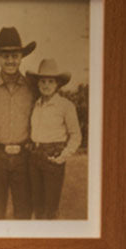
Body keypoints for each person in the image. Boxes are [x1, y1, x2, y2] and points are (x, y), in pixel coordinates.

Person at [0, 26, 37, 219]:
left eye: (15, 55)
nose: (10, 60)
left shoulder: (33, 87)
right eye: (5, 56)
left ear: (21, 57)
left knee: (24, 210)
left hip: (24, 156)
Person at [26, 58, 82, 219]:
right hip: (35, 157)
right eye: (42, 81)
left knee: (50, 208)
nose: (46, 85)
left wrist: (63, 156)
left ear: (57, 84)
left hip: (53, 157)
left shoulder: (66, 106)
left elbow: (76, 135)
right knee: (37, 205)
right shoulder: (36, 104)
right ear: (37, 84)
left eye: (51, 81)